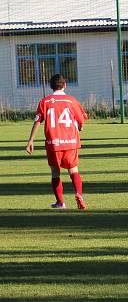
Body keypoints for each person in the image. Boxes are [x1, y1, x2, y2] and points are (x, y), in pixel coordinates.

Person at [25, 74, 89, 210]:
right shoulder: (72, 101)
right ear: (64, 85)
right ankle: (79, 194)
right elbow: (81, 122)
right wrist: (80, 127)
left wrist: (31, 140)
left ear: (51, 86)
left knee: (55, 173)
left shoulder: (45, 102)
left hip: (53, 142)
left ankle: (60, 202)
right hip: (71, 142)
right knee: (73, 170)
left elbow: (37, 120)